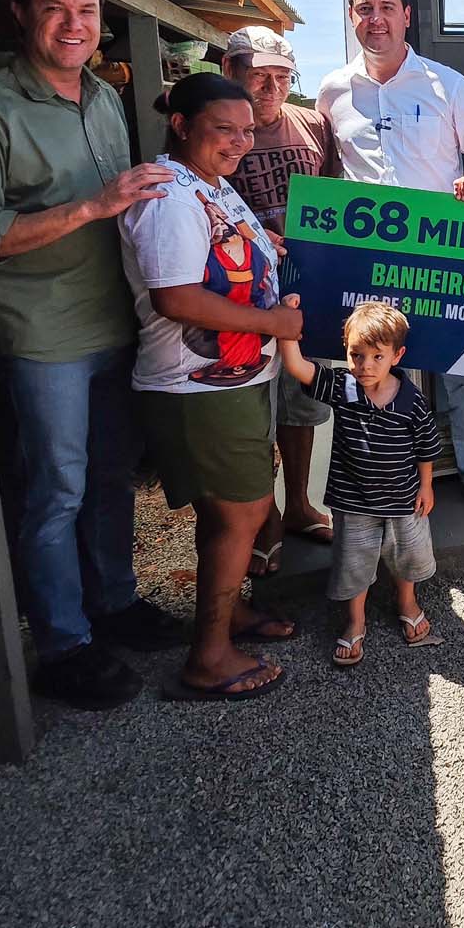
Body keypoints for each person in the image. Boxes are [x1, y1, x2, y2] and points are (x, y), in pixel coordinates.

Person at [0, 0, 187, 711]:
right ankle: (63, 642)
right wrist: (91, 206)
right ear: (21, 12)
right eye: (55, 9)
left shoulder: (105, 99)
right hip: (42, 332)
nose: (73, 24)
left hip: (115, 317)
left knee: (112, 477)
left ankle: (114, 602)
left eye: (86, 11)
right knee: (56, 490)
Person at [120, 73, 303, 701]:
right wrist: (272, 322)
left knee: (225, 515)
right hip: (198, 385)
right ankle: (209, 656)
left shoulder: (212, 187)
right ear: (183, 126)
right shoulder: (170, 195)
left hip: (231, 378)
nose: (239, 142)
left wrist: (266, 249)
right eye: (224, 129)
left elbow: (226, 254)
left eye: (247, 131)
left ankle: (227, 615)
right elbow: (175, 297)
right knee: (245, 513)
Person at [316, 0, 464, 523]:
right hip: (369, 264)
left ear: (407, 15)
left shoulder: (447, 84)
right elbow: (329, 174)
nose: (375, 18)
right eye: (364, 8)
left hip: (443, 256)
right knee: (378, 370)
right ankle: (389, 482)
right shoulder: (332, 90)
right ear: (351, 17)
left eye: (386, 7)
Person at [221, 24, 337, 575]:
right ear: (231, 73)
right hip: (239, 292)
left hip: (305, 286)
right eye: (258, 76)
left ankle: (299, 505)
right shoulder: (217, 130)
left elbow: (336, 195)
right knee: (252, 409)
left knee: (302, 403)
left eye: (281, 76)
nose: (269, 87)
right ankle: (263, 518)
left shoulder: (314, 122)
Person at [277, 298, 442, 666]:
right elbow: (297, 366)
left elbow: (427, 445)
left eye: (377, 357)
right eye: (357, 355)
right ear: (347, 352)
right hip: (353, 503)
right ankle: (355, 621)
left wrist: (426, 485)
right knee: (354, 563)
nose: (366, 366)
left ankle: (407, 602)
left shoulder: (412, 401)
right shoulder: (342, 387)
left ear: (397, 356)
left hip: (403, 501)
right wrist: (286, 325)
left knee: (408, 557)